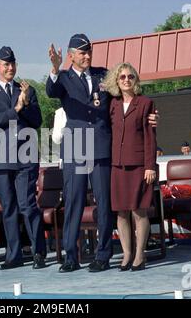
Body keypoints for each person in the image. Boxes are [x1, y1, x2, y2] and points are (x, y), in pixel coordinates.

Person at [47, 34, 158, 273]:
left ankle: (103, 254)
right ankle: (70, 256)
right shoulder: (64, 78)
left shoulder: (102, 74)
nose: (87, 56)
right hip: (76, 146)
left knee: (105, 203)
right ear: (71, 56)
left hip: (100, 146)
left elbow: (125, 97)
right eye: (82, 52)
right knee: (74, 201)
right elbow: (51, 90)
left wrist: (150, 116)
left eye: (89, 52)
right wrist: (55, 68)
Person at [0, 46, 46, 270]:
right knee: (8, 208)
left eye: (13, 64)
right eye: (6, 64)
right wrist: (15, 108)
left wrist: (24, 104)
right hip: (1, 159)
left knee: (28, 206)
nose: (10, 68)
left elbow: (37, 120)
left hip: (25, 157)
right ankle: (14, 255)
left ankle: (39, 252)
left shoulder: (27, 90)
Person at [104, 62, 157, 271]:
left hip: (139, 166)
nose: (126, 80)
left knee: (139, 211)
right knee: (121, 212)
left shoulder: (145, 103)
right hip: (117, 166)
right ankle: (126, 254)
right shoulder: (112, 104)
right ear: (117, 81)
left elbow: (150, 137)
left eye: (130, 76)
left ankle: (140, 255)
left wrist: (150, 166)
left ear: (136, 80)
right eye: (122, 77)